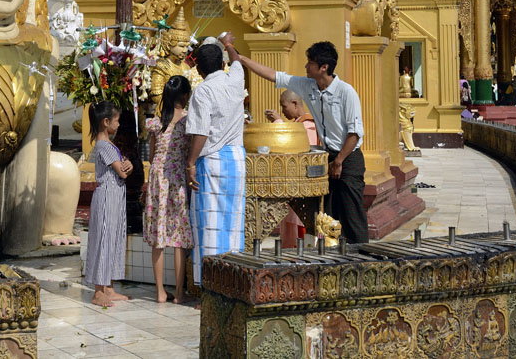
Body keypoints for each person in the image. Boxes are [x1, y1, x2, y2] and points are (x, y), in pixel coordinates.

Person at [230, 36, 369, 245]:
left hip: (348, 157)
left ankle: (362, 256)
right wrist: (243, 60)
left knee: (352, 212)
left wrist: (339, 161)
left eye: (310, 63)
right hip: (328, 156)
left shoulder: (345, 92)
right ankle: (334, 258)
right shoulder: (308, 85)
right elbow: (275, 76)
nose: (306, 66)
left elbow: (354, 133)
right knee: (327, 216)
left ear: (324, 67)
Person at [185, 40, 247, 286]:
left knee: (209, 226)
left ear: (199, 70)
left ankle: (210, 286)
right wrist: (229, 43)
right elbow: (238, 60)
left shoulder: (203, 91)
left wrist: (190, 163)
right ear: (223, 64)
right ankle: (232, 282)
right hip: (236, 161)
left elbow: (200, 132)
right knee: (233, 223)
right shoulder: (236, 79)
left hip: (211, 161)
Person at [143, 76, 193, 303]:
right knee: (178, 236)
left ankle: (160, 292)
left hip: (157, 178)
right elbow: (189, 151)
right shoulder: (188, 121)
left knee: (159, 235)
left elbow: (152, 155)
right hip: (177, 178)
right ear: (185, 95)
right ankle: (179, 293)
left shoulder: (156, 122)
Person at [84, 101, 133, 307]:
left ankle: (109, 288)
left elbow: (122, 168)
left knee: (112, 239)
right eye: (116, 120)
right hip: (107, 198)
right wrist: (128, 166)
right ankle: (98, 291)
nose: (118, 124)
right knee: (104, 240)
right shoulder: (104, 145)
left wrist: (127, 164)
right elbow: (122, 172)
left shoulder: (107, 145)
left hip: (114, 197)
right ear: (106, 122)